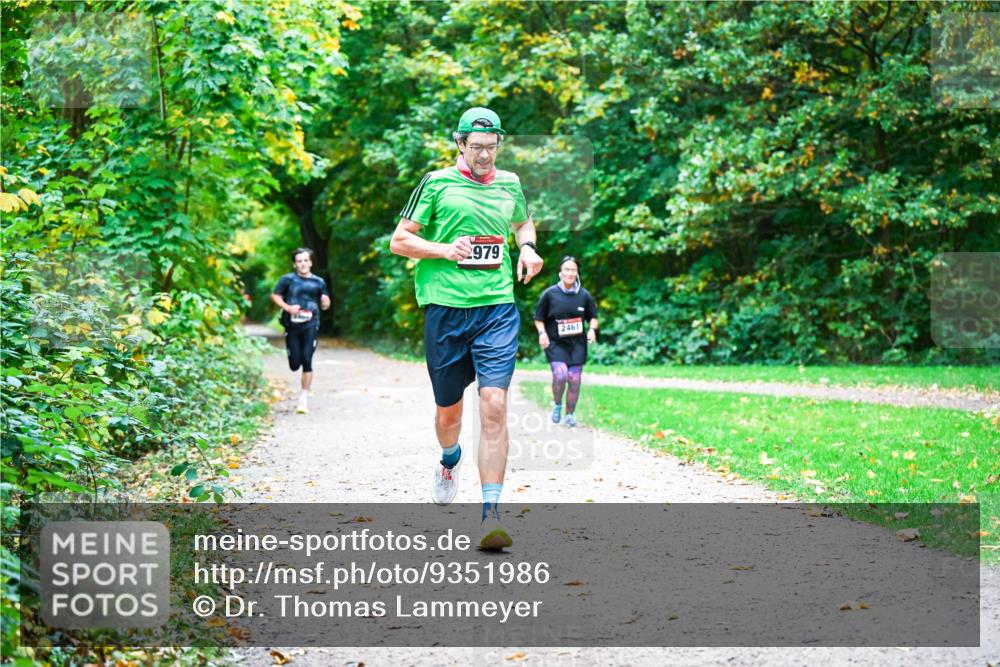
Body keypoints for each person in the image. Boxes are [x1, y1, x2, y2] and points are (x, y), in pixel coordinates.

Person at [389, 107, 543, 550]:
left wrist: (528, 248)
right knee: (449, 415)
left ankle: (490, 514)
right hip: (446, 310)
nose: (483, 155)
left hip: (496, 307)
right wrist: (443, 249)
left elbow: (521, 222)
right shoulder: (436, 183)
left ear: (500, 143)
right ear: (459, 144)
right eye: (475, 147)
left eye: (491, 147)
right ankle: (449, 458)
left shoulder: (510, 183)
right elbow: (400, 240)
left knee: (493, 404)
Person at [533, 256, 598, 427]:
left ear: (577, 273)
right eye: (566, 269)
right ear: (560, 273)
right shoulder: (549, 294)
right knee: (561, 374)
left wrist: (592, 329)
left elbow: (593, 317)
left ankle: (570, 414)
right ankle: (557, 404)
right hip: (556, 343)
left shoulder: (584, 296)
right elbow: (539, 318)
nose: (570, 273)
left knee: (574, 379)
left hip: (577, 345)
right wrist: (542, 333)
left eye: (573, 270)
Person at [271, 248, 331, 414]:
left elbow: (325, 302)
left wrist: (326, 302)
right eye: (299, 261)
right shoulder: (288, 280)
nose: (303, 264)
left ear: (310, 262)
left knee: (307, 359)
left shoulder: (319, 282)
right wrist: (288, 308)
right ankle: (301, 390)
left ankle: (303, 398)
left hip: (311, 324)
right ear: (295, 264)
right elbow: (276, 296)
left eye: (306, 260)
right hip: (292, 326)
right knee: (294, 364)